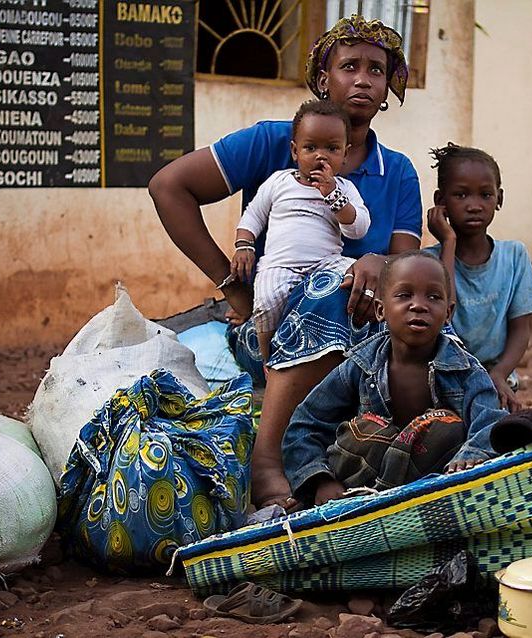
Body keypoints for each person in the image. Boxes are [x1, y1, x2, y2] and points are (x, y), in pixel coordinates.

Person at [148, 15, 421, 510]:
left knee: (376, 307)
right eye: (349, 66)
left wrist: (376, 261)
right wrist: (231, 283)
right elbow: (169, 187)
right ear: (323, 79)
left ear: (387, 90)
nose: (363, 78)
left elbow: (408, 266)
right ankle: (268, 461)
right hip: (271, 326)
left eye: (377, 70)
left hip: (364, 333)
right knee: (325, 290)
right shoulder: (273, 143)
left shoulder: (397, 171)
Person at [282, 251, 508, 506]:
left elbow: (491, 421)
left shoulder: (466, 371)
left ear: (448, 313)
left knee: (446, 429)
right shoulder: (360, 365)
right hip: (362, 489)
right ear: (381, 310)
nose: (419, 305)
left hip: (436, 484)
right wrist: (319, 480)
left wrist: (471, 456)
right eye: (404, 295)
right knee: (362, 432)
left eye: (433, 297)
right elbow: (306, 423)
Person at [230, 100, 370, 364]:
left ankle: (348, 352)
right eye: (310, 147)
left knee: (352, 278)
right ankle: (269, 360)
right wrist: (244, 245)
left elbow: (358, 229)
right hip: (280, 266)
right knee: (267, 300)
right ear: (295, 151)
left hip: (326, 263)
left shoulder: (345, 189)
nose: (321, 156)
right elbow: (253, 215)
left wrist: (333, 196)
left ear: (345, 154)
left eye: (332, 148)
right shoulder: (279, 182)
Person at [425, 143, 532, 413]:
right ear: (440, 201)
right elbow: (444, 315)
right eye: (461, 195)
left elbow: (520, 329)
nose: (474, 206)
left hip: (495, 378)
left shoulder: (514, 256)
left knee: (491, 418)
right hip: (444, 378)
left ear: (499, 199)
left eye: (485, 195)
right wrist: (448, 241)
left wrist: (500, 374)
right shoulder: (428, 263)